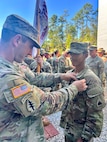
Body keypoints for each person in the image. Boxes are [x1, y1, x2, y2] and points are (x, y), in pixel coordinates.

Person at [0, 14, 87, 142]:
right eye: (30, 46)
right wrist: (74, 88)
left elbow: (35, 77)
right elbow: (44, 103)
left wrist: (61, 76)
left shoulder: (14, 63)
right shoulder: (6, 77)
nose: (31, 53)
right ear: (17, 40)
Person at [60, 42, 106, 142]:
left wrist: (84, 137)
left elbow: (95, 114)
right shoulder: (69, 75)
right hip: (69, 129)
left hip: (81, 133)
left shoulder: (91, 80)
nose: (72, 57)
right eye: (71, 54)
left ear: (85, 55)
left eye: (76, 54)